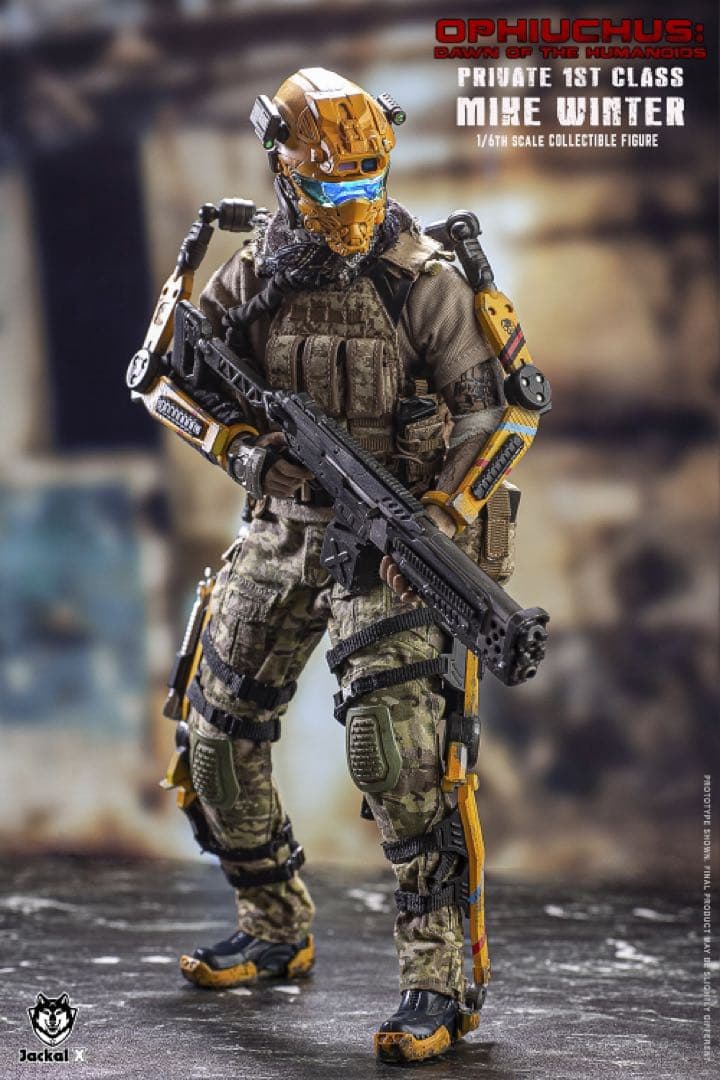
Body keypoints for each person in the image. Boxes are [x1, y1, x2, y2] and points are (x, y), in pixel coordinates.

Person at [167, 67, 520, 1063]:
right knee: (212, 739)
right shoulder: (253, 273)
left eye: (367, 181)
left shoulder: (422, 279)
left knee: (397, 758)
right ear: (283, 172)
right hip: (283, 527)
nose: (352, 203)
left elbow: (500, 417)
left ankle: (439, 981)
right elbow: (173, 374)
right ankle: (274, 926)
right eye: (329, 185)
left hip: (390, 542)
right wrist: (242, 452)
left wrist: (441, 518)